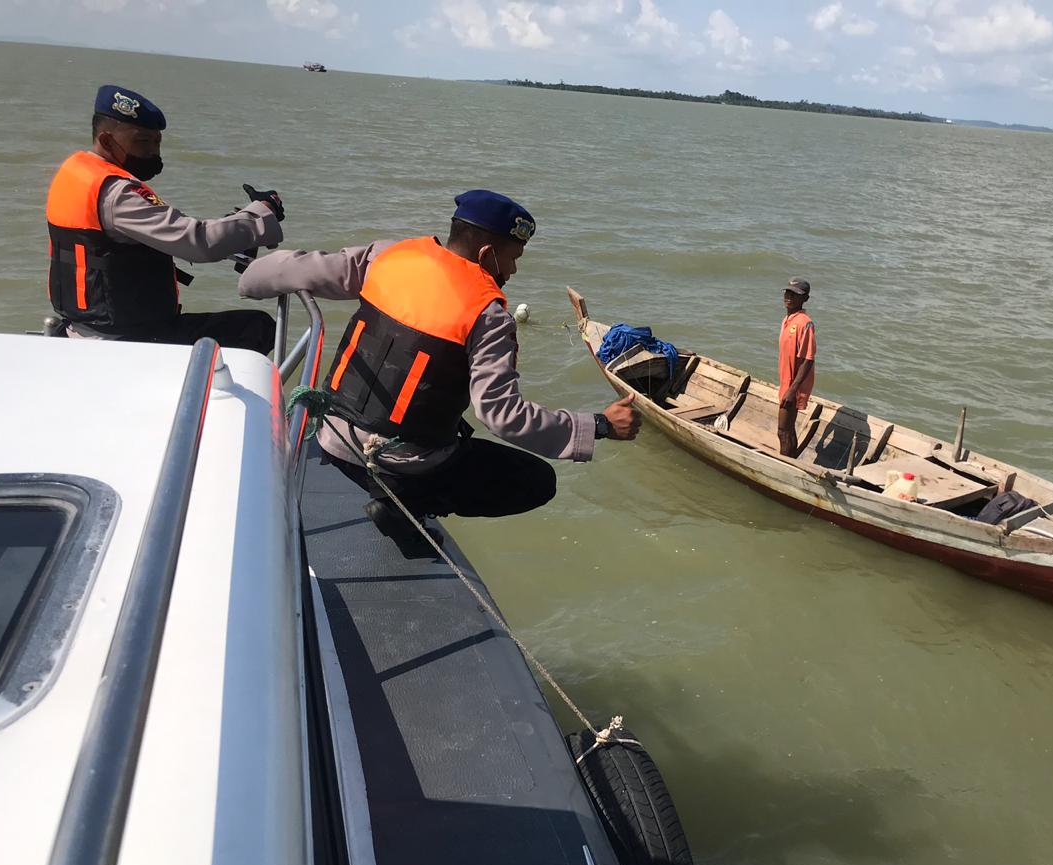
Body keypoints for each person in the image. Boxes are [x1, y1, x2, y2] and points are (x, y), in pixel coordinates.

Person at [237, 189, 641, 535]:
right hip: (401, 465)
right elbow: (501, 415)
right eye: (513, 257)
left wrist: (249, 278)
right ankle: (409, 504)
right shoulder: (489, 315)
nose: (514, 270)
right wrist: (598, 425)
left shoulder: (387, 256)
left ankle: (399, 495)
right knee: (537, 481)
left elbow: (285, 268)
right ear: (487, 253)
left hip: (333, 438)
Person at [45, 84, 286, 351]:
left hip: (83, 327)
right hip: (125, 339)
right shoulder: (118, 194)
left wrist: (234, 224)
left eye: (157, 142)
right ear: (106, 141)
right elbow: (198, 242)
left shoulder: (77, 174)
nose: (153, 152)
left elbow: (156, 234)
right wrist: (262, 212)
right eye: (142, 142)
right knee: (257, 328)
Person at [777, 277, 816, 456]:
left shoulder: (804, 323)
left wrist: (793, 390)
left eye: (795, 295)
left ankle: (784, 466)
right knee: (788, 430)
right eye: (788, 292)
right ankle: (791, 460)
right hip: (787, 382)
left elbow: (808, 359)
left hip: (794, 385)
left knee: (783, 430)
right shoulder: (788, 320)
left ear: (805, 299)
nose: (789, 297)